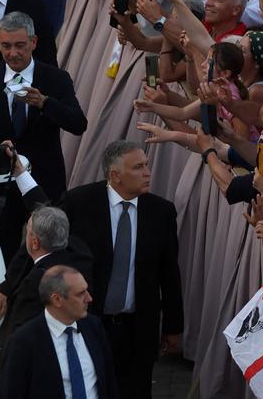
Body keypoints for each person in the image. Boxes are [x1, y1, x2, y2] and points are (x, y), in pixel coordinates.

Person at [60, 140, 183, 399]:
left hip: (138, 329)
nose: (148, 172)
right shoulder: (79, 203)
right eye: (139, 167)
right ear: (115, 175)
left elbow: (169, 272)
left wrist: (173, 326)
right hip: (89, 322)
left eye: (147, 165)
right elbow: (57, 258)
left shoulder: (161, 212)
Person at [0, 13, 87, 260]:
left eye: (20, 45)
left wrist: (45, 103)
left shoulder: (55, 78)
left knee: (50, 252)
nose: (13, 53)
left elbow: (78, 124)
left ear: (34, 42)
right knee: (1, 254)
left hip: (44, 184)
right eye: (6, 46)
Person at [0, 206, 95, 399]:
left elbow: (18, 339)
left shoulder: (37, 283)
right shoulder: (80, 258)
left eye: (28, 232)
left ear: (34, 242)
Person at [0, 265, 119, 399]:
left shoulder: (93, 326)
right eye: (80, 294)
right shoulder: (23, 342)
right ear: (57, 299)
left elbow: (109, 381)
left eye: (87, 290)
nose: (89, 298)